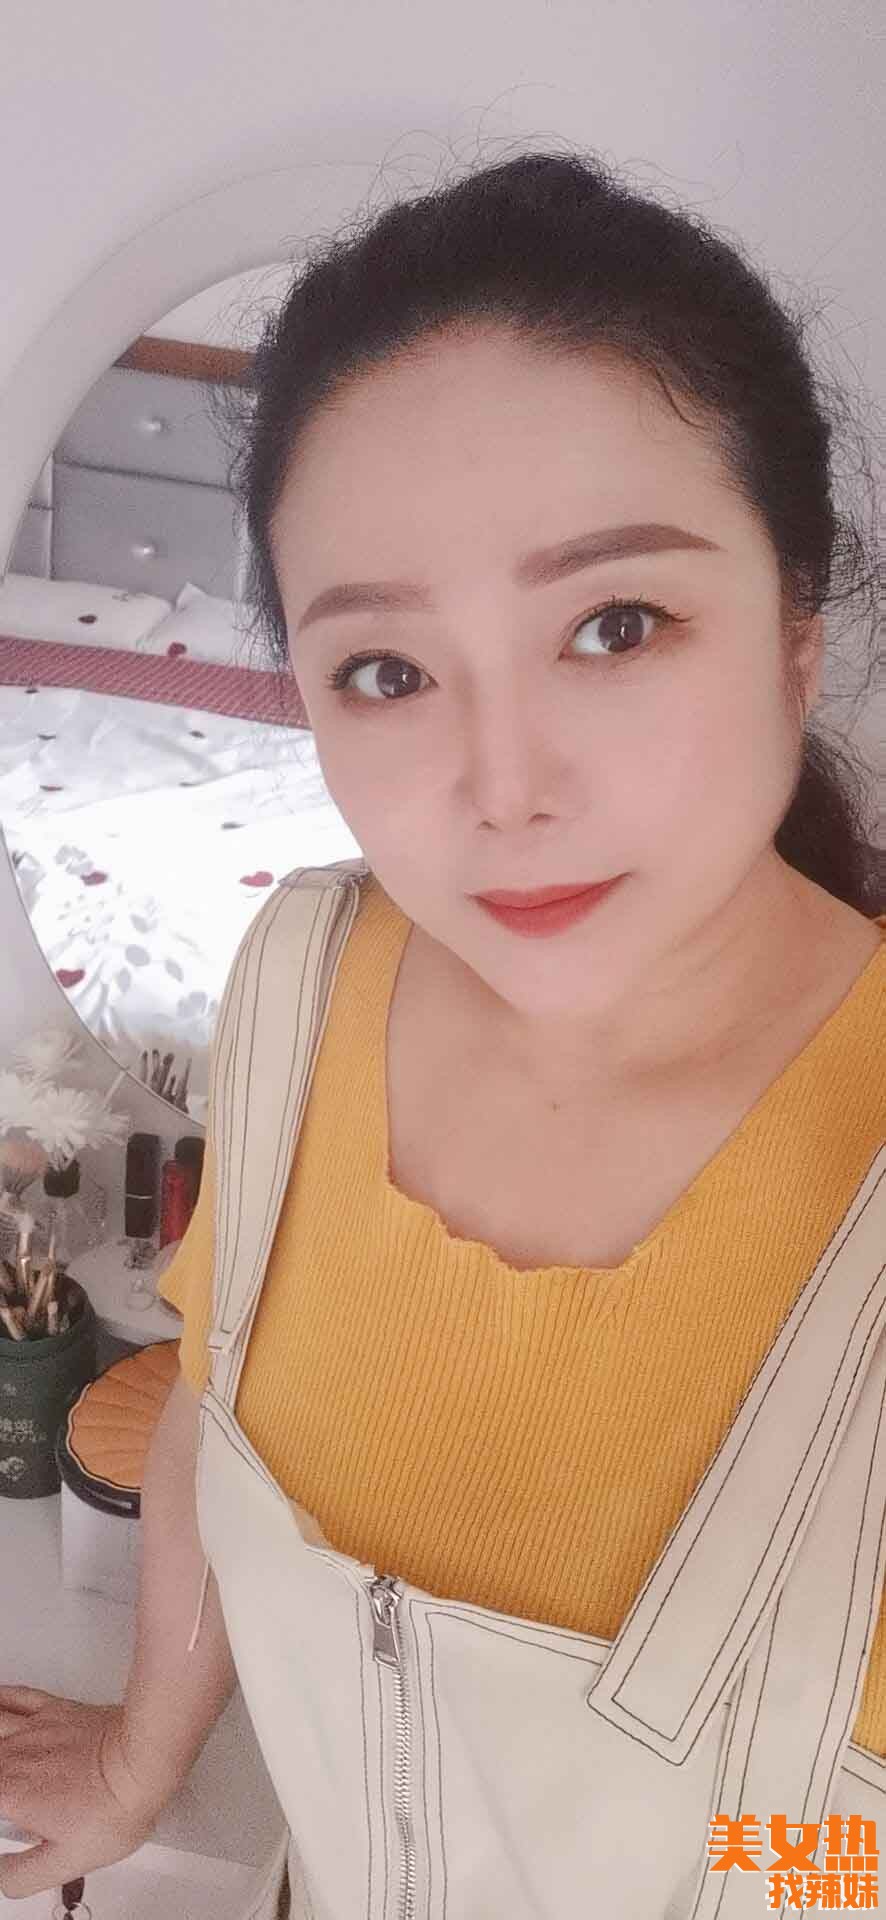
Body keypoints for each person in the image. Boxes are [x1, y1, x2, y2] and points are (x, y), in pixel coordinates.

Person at [0, 146, 883, 1912]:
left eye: (613, 625)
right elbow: (213, 1414)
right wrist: (141, 1756)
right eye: (386, 672)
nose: (502, 791)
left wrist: (750, 1875)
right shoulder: (304, 977)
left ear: (795, 634)